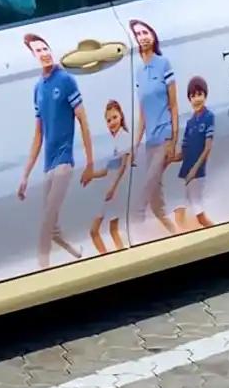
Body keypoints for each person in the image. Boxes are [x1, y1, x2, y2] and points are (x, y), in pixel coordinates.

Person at [17, 33, 96, 270]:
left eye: (45, 48)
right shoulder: (38, 88)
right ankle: (76, 253)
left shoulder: (66, 80)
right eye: (38, 51)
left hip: (64, 162)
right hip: (48, 165)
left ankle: (44, 274)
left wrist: (90, 163)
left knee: (45, 224)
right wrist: (25, 176)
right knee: (52, 227)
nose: (44, 53)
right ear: (33, 56)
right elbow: (38, 136)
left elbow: (83, 120)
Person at [129, 19, 181, 237]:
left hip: (165, 135)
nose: (142, 36)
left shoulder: (163, 64)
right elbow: (141, 114)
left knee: (144, 193)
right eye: (138, 34)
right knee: (156, 202)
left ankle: (135, 235)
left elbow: (173, 104)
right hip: (150, 141)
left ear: (152, 34)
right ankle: (178, 234)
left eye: (145, 31)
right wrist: (135, 145)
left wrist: (174, 140)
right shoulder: (139, 73)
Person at [89, 100, 131, 254]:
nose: (112, 122)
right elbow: (107, 170)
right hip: (111, 191)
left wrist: (113, 188)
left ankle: (107, 260)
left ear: (121, 116)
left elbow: (123, 166)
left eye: (114, 117)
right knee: (113, 230)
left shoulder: (124, 137)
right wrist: (91, 175)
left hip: (113, 192)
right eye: (108, 120)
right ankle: (122, 258)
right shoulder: (115, 141)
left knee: (94, 231)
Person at [178, 75, 216, 229]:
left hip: (197, 174)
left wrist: (194, 170)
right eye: (193, 96)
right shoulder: (190, 122)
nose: (196, 99)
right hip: (186, 173)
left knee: (199, 215)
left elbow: (207, 148)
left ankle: (216, 233)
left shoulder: (209, 117)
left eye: (199, 94)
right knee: (186, 212)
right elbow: (184, 151)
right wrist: (168, 159)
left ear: (205, 95)